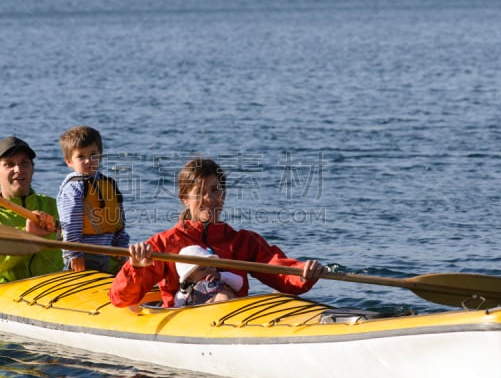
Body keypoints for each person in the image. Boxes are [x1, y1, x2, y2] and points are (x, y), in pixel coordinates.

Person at [110, 158, 326, 308]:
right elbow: (121, 298)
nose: (210, 199)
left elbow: (279, 270)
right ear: (184, 199)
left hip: (230, 317)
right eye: (200, 193)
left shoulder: (242, 241)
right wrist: (137, 267)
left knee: (282, 297)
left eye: (215, 190)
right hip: (183, 321)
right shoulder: (162, 244)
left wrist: (303, 273)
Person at [0, 136, 63, 284]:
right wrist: (25, 237)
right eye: (9, 164)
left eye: (24, 163)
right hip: (5, 294)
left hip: (51, 290)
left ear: (32, 168)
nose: (18, 169)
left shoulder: (54, 206)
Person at [57, 126, 130, 273]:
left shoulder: (109, 184)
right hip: (82, 256)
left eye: (93, 154)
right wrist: (74, 253)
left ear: (100, 155)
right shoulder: (73, 188)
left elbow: (118, 221)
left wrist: (121, 249)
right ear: (69, 161)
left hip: (107, 254)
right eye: (81, 156)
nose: (88, 160)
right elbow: (70, 224)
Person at [173, 245, 244, 307]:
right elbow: (178, 307)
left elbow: (239, 283)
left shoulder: (219, 278)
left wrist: (221, 276)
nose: (210, 270)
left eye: (212, 266)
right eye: (203, 269)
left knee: (224, 295)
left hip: (229, 306)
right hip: (204, 313)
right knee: (223, 297)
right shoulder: (186, 291)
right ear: (189, 277)